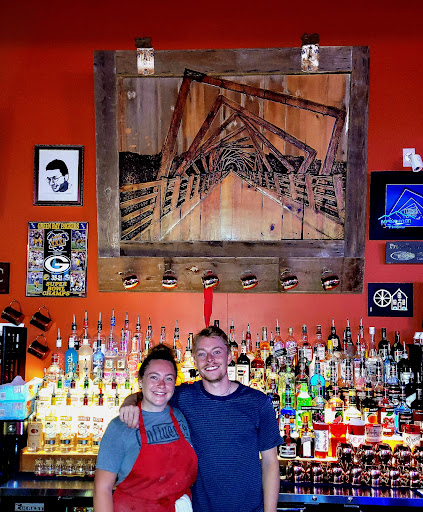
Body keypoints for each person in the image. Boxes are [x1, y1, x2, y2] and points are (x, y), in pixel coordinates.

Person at [120, 326, 281, 512]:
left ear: (229, 357)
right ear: (195, 361)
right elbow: (150, 394)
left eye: (217, 352)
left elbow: (270, 462)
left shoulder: (258, 402)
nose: (210, 359)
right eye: (202, 354)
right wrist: (128, 402)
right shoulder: (183, 397)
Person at [94, 344, 198, 512]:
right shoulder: (120, 426)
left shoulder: (180, 415)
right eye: (154, 377)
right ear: (141, 381)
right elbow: (102, 489)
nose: (161, 385)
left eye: (169, 378)